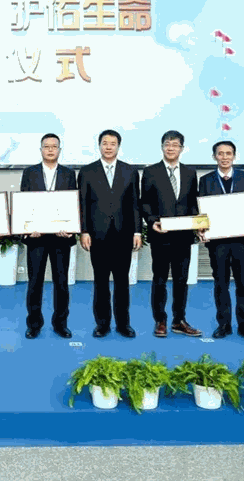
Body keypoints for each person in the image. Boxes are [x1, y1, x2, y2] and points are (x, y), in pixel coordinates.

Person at [78, 129, 142, 338]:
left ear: (118, 146)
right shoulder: (87, 171)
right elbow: (82, 204)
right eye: (105, 143)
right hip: (97, 236)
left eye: (112, 143)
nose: (108, 147)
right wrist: (84, 231)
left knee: (122, 282)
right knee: (101, 282)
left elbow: (135, 203)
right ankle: (102, 324)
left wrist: (137, 231)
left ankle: (123, 324)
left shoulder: (130, 171)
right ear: (99, 145)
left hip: (124, 235)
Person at [141, 130, 202, 338]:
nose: (171, 148)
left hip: (183, 237)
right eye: (167, 144)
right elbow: (145, 203)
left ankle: (179, 320)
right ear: (162, 147)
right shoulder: (150, 172)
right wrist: (153, 222)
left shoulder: (190, 172)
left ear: (181, 149)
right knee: (159, 279)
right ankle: (160, 320)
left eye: (175, 145)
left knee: (181, 280)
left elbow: (193, 203)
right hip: (161, 235)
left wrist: (197, 223)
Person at [197, 140, 244, 341]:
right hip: (218, 242)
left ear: (234, 155)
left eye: (228, 153)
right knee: (220, 284)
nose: (224, 157)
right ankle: (223, 325)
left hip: (242, 241)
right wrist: (200, 228)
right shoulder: (205, 180)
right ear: (214, 156)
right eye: (220, 153)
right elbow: (201, 210)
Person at [19, 133, 77, 340]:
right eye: (47, 146)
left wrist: (70, 227)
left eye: (54, 146)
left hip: (61, 238)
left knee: (61, 283)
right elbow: (24, 203)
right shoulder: (29, 173)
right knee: (35, 283)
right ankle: (34, 324)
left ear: (59, 150)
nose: (50, 150)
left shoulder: (69, 174)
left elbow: (73, 204)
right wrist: (27, 228)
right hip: (37, 238)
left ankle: (60, 323)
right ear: (41, 149)